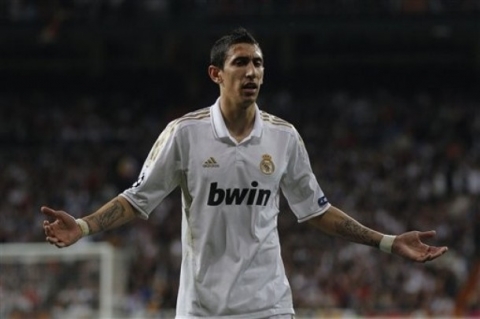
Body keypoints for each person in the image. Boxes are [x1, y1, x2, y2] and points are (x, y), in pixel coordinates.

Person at [42, 27, 448, 318]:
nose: (252, 71)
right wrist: (84, 225)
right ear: (216, 74)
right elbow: (137, 199)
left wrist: (387, 242)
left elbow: (317, 211)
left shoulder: (283, 138)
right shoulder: (185, 134)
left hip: (267, 304)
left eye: (258, 63)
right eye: (240, 63)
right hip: (202, 308)